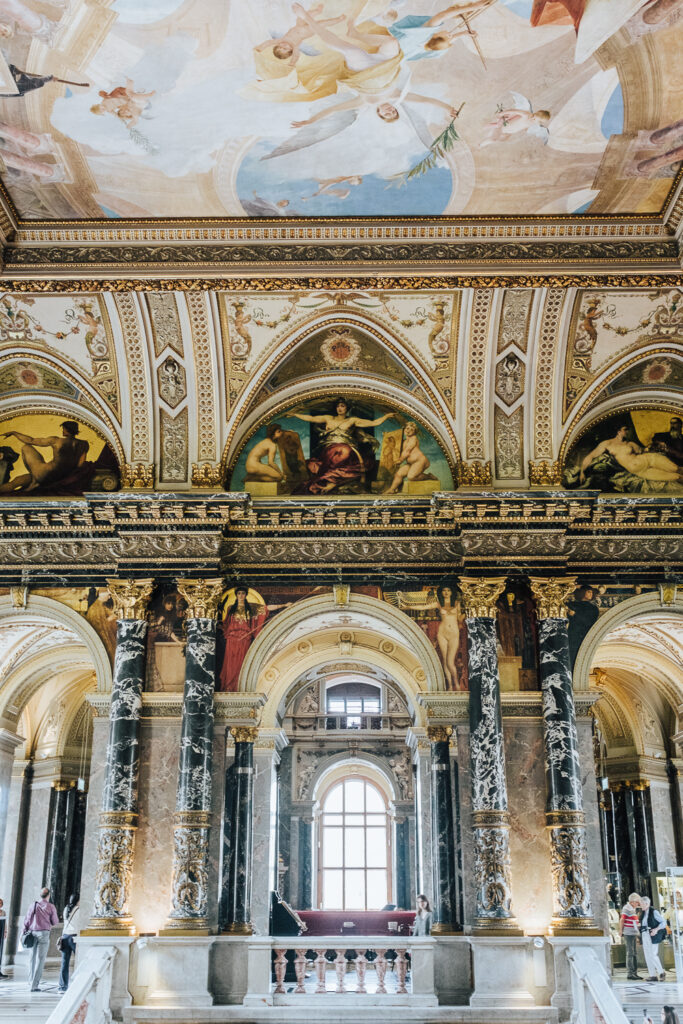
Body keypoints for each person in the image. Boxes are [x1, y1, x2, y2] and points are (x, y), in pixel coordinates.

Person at [292, 398, 393, 494]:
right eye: (338, 406)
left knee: (345, 451)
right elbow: (311, 418)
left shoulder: (352, 420)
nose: (339, 408)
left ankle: (333, 482)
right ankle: (329, 481)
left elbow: (373, 422)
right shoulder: (328, 418)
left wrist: (386, 417)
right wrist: (295, 414)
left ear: (347, 408)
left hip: (346, 448)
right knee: (334, 455)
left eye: (342, 406)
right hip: (329, 448)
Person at [0, 420, 89, 494]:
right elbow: (80, 465)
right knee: (19, 480)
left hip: (44, 475)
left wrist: (14, 433)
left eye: (63, 429)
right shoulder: (84, 444)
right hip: (60, 477)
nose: (63, 431)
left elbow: (31, 440)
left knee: (26, 447)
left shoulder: (56, 441)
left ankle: (35, 481)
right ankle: (34, 480)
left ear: (66, 429)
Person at [580, 425, 683, 485]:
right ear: (618, 431)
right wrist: (582, 472)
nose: (627, 432)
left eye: (628, 430)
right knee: (676, 477)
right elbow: (591, 456)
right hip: (641, 471)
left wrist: (654, 446)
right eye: (625, 429)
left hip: (650, 459)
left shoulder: (630, 443)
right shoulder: (608, 444)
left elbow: (644, 451)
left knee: (675, 468)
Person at [22, 887, 59, 992]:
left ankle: (30, 981)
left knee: (32, 958)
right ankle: (34, 985)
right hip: (43, 933)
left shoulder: (33, 905)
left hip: (32, 933)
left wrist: (23, 931)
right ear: (49, 895)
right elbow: (55, 922)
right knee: (40, 959)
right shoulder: (51, 906)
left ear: (40, 895)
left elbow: (27, 920)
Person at [383, 421, 435, 493]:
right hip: (411, 463)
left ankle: (428, 476)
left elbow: (408, 450)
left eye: (412, 430)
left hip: (420, 461)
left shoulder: (413, 438)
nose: (408, 431)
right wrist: (387, 436)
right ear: (404, 429)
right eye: (407, 428)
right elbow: (394, 444)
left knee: (411, 477)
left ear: (414, 432)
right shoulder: (404, 441)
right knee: (399, 474)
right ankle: (392, 489)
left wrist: (400, 460)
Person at [639, 896, 666, 982]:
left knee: (653, 954)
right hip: (645, 934)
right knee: (647, 955)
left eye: (641, 904)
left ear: (646, 903)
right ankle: (652, 975)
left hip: (653, 935)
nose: (640, 905)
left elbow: (663, 922)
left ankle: (661, 972)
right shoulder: (643, 913)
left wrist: (656, 929)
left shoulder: (654, 912)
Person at [58, 893, 79, 992]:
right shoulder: (79, 910)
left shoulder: (66, 909)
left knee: (64, 963)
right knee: (79, 961)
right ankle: (77, 983)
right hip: (74, 937)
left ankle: (62, 986)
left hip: (65, 936)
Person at [619, 892, 642, 980]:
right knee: (630, 953)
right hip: (628, 933)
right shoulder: (627, 908)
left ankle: (634, 972)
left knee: (634, 953)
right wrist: (620, 930)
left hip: (633, 933)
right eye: (637, 902)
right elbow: (622, 919)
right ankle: (630, 973)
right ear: (632, 902)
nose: (638, 904)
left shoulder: (632, 909)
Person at [0, 895, 7, 978]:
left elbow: (5, 923)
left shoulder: (3, 912)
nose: (0, 904)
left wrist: (5, 932)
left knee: (0, 951)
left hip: (1, 933)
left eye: (1, 903)